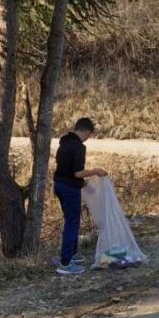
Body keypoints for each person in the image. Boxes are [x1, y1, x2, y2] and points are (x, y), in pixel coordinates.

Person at [53, 118, 107, 275]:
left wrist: (85, 186)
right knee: (72, 223)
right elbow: (77, 173)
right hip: (69, 189)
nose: (87, 138)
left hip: (59, 185)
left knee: (70, 220)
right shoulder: (78, 147)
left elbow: (67, 171)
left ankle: (72, 254)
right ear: (85, 131)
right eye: (89, 135)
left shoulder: (63, 143)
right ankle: (65, 263)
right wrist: (96, 171)